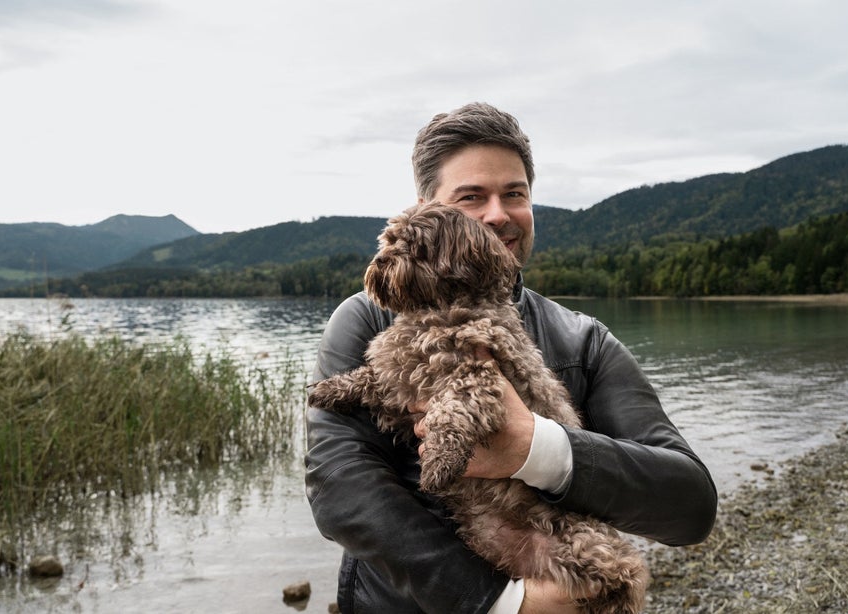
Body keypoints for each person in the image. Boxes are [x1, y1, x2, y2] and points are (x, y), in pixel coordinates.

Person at [305, 102, 717, 613]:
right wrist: (500, 603)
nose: (498, 214)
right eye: (471, 196)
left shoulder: (584, 342)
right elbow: (338, 483)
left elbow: (690, 505)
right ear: (425, 210)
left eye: (515, 194)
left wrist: (537, 449)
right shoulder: (366, 318)